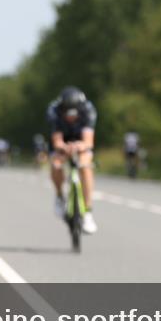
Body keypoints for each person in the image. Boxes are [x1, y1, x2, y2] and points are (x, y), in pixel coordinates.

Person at [46, 87, 99, 234]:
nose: (71, 117)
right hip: (63, 140)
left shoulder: (88, 111)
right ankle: (59, 196)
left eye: (74, 113)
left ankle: (88, 212)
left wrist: (79, 146)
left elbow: (89, 141)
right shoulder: (54, 112)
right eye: (67, 113)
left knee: (85, 165)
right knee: (56, 164)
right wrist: (64, 147)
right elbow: (57, 141)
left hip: (81, 140)